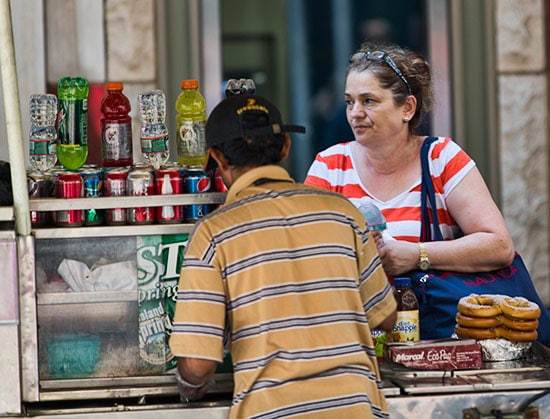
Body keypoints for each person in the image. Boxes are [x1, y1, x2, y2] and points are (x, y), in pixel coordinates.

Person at [168, 94, 397, 418]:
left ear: (216, 157)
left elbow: (197, 364)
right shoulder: (343, 213)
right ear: (285, 147)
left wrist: (188, 386)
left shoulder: (213, 233)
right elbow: (385, 317)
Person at [304, 41, 515, 277]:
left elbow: (499, 246)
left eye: (369, 101)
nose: (355, 113)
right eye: (349, 102)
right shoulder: (329, 165)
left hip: (428, 312)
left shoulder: (441, 158)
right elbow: (306, 253)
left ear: (407, 108)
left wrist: (418, 255)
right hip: (352, 313)